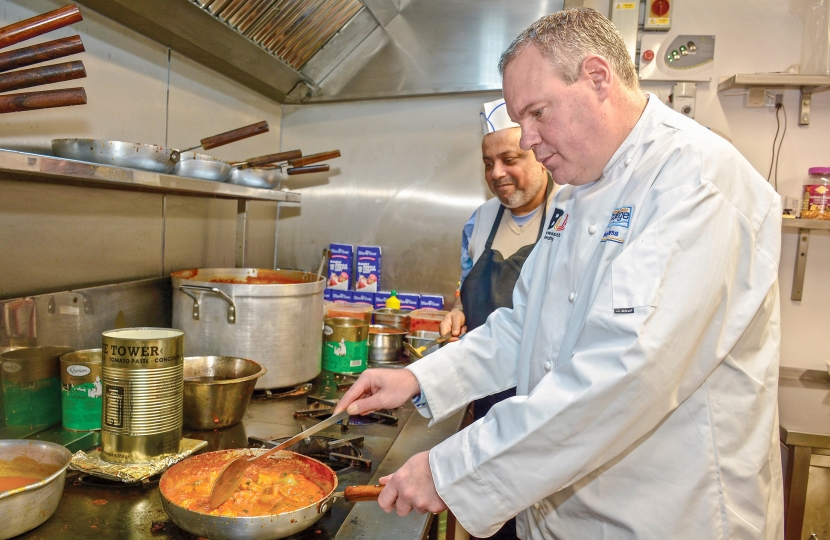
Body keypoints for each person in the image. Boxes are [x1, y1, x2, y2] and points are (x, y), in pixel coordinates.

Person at [336, 8, 784, 540]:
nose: (526, 140)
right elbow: (524, 325)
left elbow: (624, 374)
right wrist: (419, 377)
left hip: (665, 516)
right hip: (564, 513)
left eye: (537, 113)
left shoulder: (697, 181)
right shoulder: (574, 195)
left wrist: (453, 469)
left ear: (597, 78)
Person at [440, 99, 554, 539]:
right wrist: (457, 313)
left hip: (542, 400)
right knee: (494, 526)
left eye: (511, 159)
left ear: (540, 157)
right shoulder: (479, 221)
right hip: (485, 397)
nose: (497, 173)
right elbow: (466, 289)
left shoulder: (570, 216)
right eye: (489, 163)